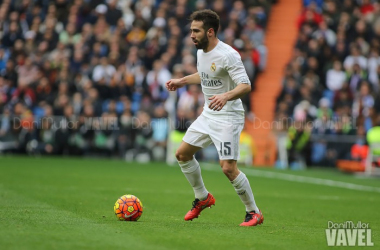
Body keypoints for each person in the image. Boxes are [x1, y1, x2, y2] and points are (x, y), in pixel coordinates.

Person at [165, 10, 263, 227]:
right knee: (182, 154)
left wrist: (226, 96)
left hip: (228, 116)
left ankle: (253, 212)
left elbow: (246, 85)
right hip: (208, 113)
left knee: (228, 167)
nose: (191, 35)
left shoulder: (228, 54)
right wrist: (182, 81)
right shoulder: (201, 51)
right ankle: (202, 197)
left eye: (195, 31)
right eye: (191, 30)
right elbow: (206, 74)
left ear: (210, 32)